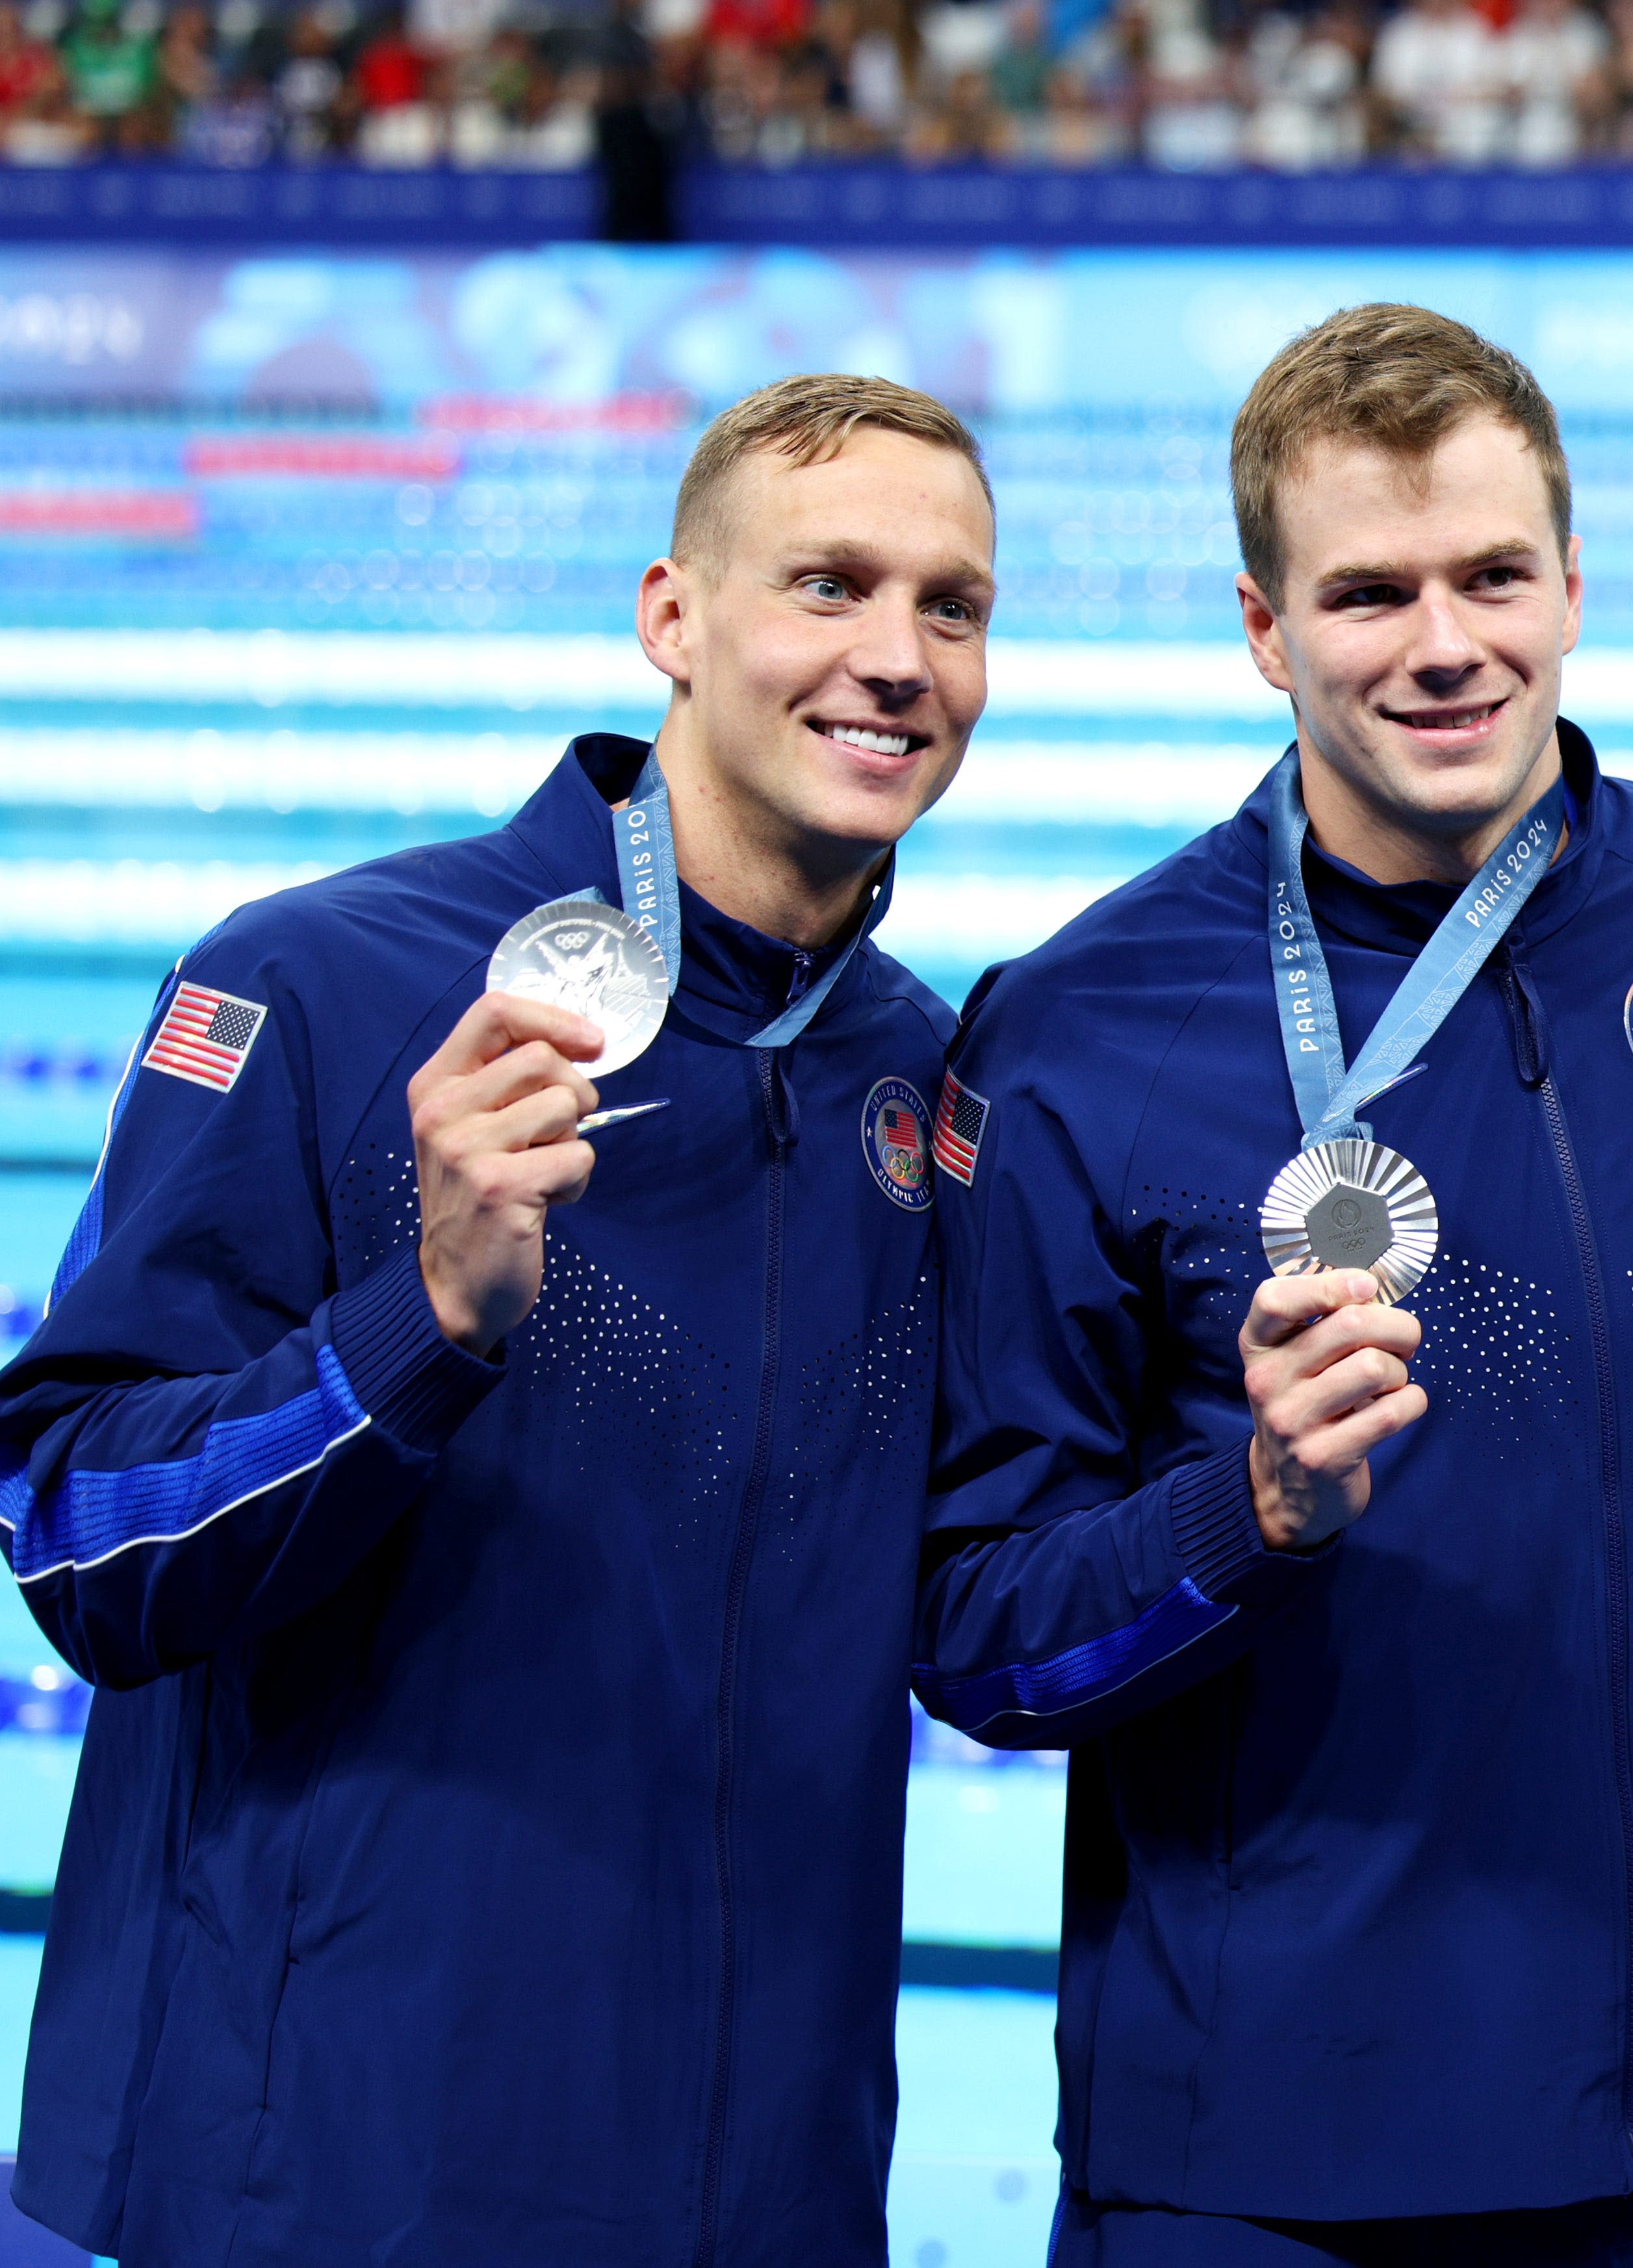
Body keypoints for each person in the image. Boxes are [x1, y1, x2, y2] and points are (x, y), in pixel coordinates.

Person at [1, 373, 997, 2262]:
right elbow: (76, 1539)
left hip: (760, 2190)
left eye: (951, 607)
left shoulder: (926, 1086)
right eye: (830, 586)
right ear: (672, 618)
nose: (895, 658)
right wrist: (426, 1319)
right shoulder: (321, 983)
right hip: (333, 2176)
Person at [916, 304, 1633, 2263]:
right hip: (1253, 2164)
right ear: (1264, 628)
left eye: (1494, 575)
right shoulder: (1085, 1033)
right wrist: (1246, 1513)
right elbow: (980, 1632)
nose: (1445, 644)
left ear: (1573, 584)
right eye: (1369, 593)